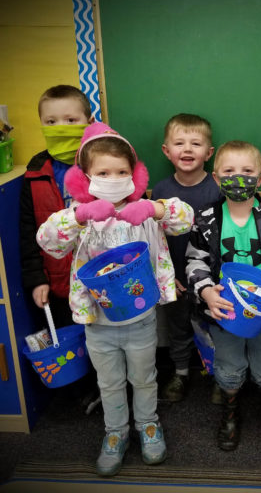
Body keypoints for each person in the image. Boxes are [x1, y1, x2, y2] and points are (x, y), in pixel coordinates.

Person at [36, 122, 194, 476]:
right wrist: (78, 215)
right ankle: (115, 432)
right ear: (85, 177)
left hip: (140, 319)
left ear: (134, 174)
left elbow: (185, 219)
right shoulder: (79, 216)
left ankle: (148, 425)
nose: (113, 178)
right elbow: (47, 240)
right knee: (108, 381)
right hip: (98, 324)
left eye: (121, 171)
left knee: (144, 376)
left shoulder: (146, 209)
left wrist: (155, 210)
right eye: (103, 172)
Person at [185, 140, 261, 451]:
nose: (238, 177)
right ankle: (230, 412)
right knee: (228, 364)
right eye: (229, 171)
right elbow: (195, 260)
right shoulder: (207, 218)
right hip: (224, 310)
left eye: (247, 171)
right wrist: (206, 292)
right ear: (216, 177)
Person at [152, 113, 220, 402]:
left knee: (215, 327)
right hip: (175, 277)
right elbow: (157, 238)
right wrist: (168, 277)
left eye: (196, 143)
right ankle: (180, 372)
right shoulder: (161, 191)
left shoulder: (218, 188)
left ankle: (220, 375)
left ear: (209, 152)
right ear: (167, 151)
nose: (188, 149)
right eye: (179, 143)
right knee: (178, 326)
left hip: (211, 277)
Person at [20, 85, 93, 328]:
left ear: (89, 121)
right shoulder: (35, 173)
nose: (60, 127)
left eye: (71, 120)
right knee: (74, 351)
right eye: (50, 121)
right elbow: (28, 232)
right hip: (58, 283)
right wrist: (37, 279)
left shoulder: (106, 163)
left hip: (100, 277)